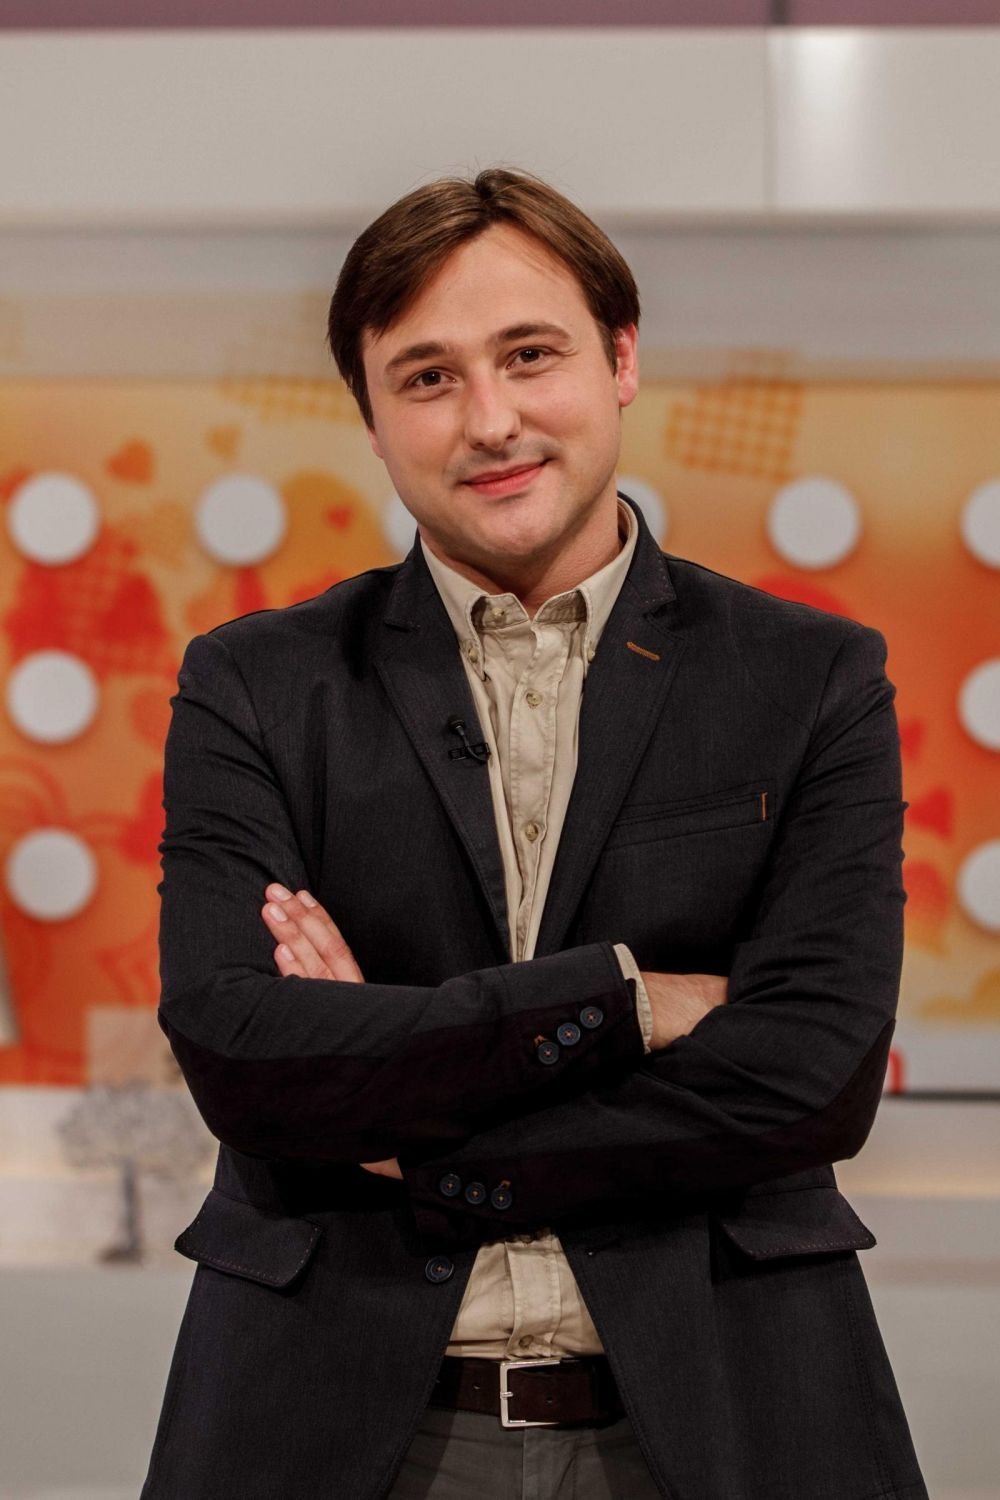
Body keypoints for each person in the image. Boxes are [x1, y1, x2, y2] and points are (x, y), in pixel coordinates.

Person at [141, 168, 927, 1500]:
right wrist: (624, 1002)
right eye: (428, 377)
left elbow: (812, 1076)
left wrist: (405, 1125)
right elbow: (244, 1051)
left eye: (529, 356)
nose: (490, 420)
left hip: (727, 1416)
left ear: (621, 360)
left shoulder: (810, 678)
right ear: (372, 418)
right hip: (335, 1423)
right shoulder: (257, 683)